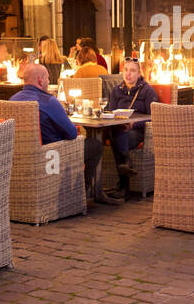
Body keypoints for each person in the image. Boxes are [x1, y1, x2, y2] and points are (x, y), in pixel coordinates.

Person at [9, 64, 111, 207]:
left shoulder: (12, 100)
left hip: (20, 157)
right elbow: (71, 133)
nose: (48, 82)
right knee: (95, 146)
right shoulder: (48, 101)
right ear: (40, 80)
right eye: (47, 78)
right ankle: (81, 195)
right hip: (51, 157)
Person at [102, 59, 158, 199]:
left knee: (117, 138)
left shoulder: (147, 91)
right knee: (114, 134)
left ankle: (123, 185)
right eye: (126, 70)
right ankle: (125, 164)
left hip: (138, 131)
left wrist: (134, 124)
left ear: (139, 74)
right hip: (118, 128)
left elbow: (155, 116)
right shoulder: (116, 91)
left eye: (132, 71)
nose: (128, 74)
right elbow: (111, 111)